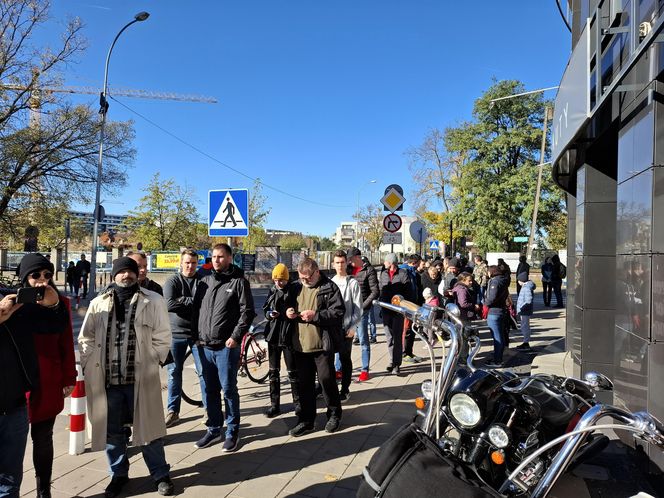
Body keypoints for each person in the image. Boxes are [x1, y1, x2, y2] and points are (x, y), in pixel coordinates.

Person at [78, 257, 174, 497]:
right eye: (121, 272)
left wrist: (154, 359)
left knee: (149, 432)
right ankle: (118, 474)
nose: (126, 275)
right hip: (108, 382)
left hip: (139, 378)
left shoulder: (153, 300)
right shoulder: (97, 303)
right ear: (114, 275)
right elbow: (86, 337)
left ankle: (160, 474)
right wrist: (91, 360)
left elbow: (163, 336)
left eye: (130, 271)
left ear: (136, 274)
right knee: (113, 433)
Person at [0, 254, 75, 498]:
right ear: (24, 278)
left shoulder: (58, 302)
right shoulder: (11, 304)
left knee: (43, 439)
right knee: (12, 451)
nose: (42, 281)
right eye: (35, 275)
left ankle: (44, 490)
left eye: (47, 275)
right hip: (19, 384)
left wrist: (69, 378)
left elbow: (65, 342)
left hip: (48, 380)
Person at [192, 243, 255, 452]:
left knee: (228, 390)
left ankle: (232, 431)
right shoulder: (205, 280)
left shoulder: (238, 282)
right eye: (214, 257)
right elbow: (196, 309)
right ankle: (213, 429)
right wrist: (196, 337)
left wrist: (236, 337)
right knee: (210, 390)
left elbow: (247, 313)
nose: (216, 260)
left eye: (220, 257)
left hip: (225, 347)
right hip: (204, 346)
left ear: (229, 258)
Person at [286, 258, 345, 436]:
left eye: (307, 278)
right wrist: (287, 311)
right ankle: (307, 420)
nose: (304, 281)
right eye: (301, 278)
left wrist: (316, 315)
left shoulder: (329, 287)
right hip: (300, 345)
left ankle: (334, 415)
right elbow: (285, 303)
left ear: (317, 272)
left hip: (321, 346)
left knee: (327, 382)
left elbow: (338, 313)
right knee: (304, 385)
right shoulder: (296, 287)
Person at [163, 249, 206, 428]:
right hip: (175, 334)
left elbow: (205, 303)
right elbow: (169, 304)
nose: (190, 266)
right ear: (181, 263)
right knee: (174, 373)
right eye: (187, 262)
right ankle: (173, 411)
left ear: (197, 263)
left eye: (193, 263)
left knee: (204, 372)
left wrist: (182, 300)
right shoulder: (172, 280)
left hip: (197, 334)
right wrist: (192, 301)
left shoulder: (202, 281)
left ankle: (209, 408)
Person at [263, 263, 299, 418]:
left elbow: (298, 309)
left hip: (288, 335)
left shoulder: (293, 290)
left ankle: (298, 404)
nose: (278, 283)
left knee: (293, 372)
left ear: (287, 279)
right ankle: (274, 405)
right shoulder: (272, 290)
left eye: (281, 280)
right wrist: (269, 314)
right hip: (273, 335)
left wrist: (291, 312)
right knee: (273, 372)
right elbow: (265, 309)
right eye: (276, 280)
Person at [331, 250, 362, 402]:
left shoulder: (352, 282)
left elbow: (358, 308)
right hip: (331, 328)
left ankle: (345, 389)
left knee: (345, 359)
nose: (340, 265)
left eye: (342, 262)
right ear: (333, 264)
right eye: (337, 262)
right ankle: (327, 387)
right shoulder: (331, 282)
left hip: (346, 328)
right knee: (328, 359)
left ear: (346, 263)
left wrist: (353, 328)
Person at [378, 253, 413, 375]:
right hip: (386, 310)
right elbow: (381, 290)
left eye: (386, 261)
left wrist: (402, 302)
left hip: (398, 311)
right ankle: (392, 360)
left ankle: (397, 364)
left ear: (391, 262)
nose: (384, 263)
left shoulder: (403, 274)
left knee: (397, 338)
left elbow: (409, 291)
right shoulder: (383, 274)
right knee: (389, 338)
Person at [347, 248, 379, 381]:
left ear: (358, 257)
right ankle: (338, 368)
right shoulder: (347, 269)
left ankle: (365, 370)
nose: (349, 261)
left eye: (351, 259)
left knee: (364, 340)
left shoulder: (368, 270)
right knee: (344, 340)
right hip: (347, 311)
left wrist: (362, 306)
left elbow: (375, 291)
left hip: (362, 311)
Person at [483, 265, 510, 368]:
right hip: (501, 310)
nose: (487, 274)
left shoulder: (495, 281)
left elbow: (492, 297)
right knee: (500, 335)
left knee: (497, 337)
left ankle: (498, 360)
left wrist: (486, 304)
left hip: (494, 312)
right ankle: (498, 356)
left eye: (488, 272)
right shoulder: (503, 280)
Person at [400, 254, 423, 364]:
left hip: (413, 306)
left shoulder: (413, 273)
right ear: (414, 263)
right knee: (406, 330)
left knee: (412, 329)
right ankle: (404, 353)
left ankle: (409, 352)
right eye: (419, 264)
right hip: (406, 306)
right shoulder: (404, 272)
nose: (420, 266)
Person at [516, 279, 536, 350]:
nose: (518, 282)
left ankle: (526, 343)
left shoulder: (526, 287)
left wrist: (522, 307)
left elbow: (528, 300)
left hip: (525, 311)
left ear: (522, 280)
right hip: (524, 311)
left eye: (518, 280)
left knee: (525, 326)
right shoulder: (525, 286)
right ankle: (525, 342)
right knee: (524, 326)